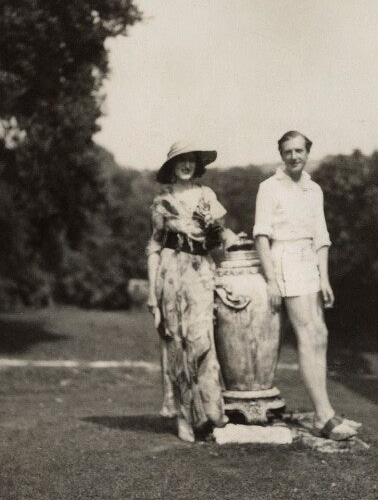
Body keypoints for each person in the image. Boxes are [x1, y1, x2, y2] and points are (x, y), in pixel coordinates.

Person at [253, 131, 360, 441]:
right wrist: (272, 279)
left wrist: (324, 278)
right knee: (307, 334)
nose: (294, 156)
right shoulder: (269, 188)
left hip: (309, 264)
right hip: (284, 260)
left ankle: (323, 412)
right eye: (288, 151)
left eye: (299, 150)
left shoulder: (314, 189)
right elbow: (261, 235)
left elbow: (321, 237)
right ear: (281, 154)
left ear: (307, 152)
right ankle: (323, 415)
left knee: (321, 334)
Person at [146, 140, 237, 443]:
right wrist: (151, 292)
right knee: (176, 343)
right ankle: (185, 418)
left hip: (200, 274)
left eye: (191, 160)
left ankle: (212, 415)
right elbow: (155, 246)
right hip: (171, 275)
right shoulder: (162, 201)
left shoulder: (206, 196)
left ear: (197, 165)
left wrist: (218, 234)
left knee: (202, 341)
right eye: (180, 160)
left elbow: (219, 241)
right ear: (171, 165)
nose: (186, 165)